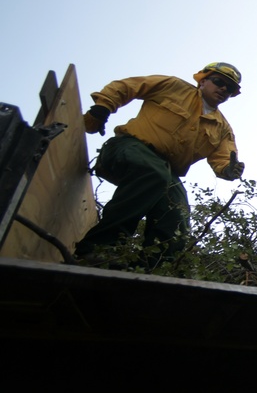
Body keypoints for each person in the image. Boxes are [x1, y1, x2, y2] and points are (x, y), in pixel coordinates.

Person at [75, 62, 245, 266]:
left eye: (230, 88)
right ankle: (97, 248)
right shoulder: (173, 87)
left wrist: (229, 169)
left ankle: (151, 272)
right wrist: (103, 107)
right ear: (203, 80)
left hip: (166, 172)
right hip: (129, 147)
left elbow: (224, 158)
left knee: (177, 214)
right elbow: (128, 86)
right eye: (219, 82)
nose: (224, 89)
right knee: (153, 174)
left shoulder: (222, 128)